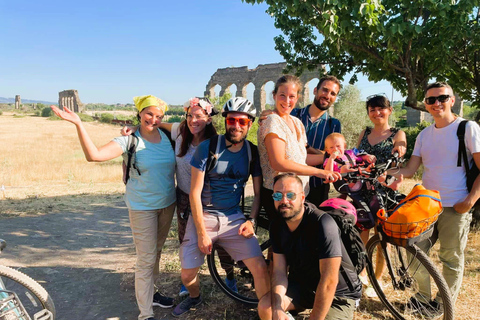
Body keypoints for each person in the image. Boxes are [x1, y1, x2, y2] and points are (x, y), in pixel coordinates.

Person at [51, 95, 176, 320]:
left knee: (156, 254)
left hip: (167, 204)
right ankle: (146, 314)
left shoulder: (168, 136)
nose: (153, 119)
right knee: (146, 258)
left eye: (159, 116)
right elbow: (94, 156)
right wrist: (79, 124)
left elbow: (192, 127)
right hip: (142, 208)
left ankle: (151, 294)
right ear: (139, 113)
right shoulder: (129, 140)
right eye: (149, 114)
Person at [172, 97, 270, 318]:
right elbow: (195, 193)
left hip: (233, 217)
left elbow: (257, 194)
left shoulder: (251, 153)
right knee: (187, 276)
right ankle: (195, 296)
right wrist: (200, 232)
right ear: (225, 121)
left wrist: (251, 221)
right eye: (232, 120)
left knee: (261, 269)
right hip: (203, 215)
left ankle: (267, 312)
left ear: (250, 124)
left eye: (242, 122)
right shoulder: (208, 148)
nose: (236, 125)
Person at [390, 82, 480, 310]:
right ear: (426, 105)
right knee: (413, 252)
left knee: (451, 259)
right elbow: (410, 170)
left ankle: (441, 305)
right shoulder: (423, 135)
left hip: (456, 206)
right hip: (426, 207)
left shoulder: (467, 128)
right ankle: (422, 298)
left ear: (452, 99)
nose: (436, 103)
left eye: (442, 98)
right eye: (430, 100)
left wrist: (470, 200)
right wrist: (383, 173)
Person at [122, 97, 219, 296]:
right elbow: (151, 124)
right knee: (186, 239)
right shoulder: (179, 131)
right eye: (190, 116)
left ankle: (229, 277)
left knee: (214, 239)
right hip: (183, 196)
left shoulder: (215, 142)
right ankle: (189, 279)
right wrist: (132, 128)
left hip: (207, 197)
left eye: (199, 116)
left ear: (208, 119)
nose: (193, 120)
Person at [258, 173, 362, 320]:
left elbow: (329, 281)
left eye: (290, 195)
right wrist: (277, 308)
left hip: (339, 293)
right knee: (265, 308)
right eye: (277, 196)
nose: (284, 201)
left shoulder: (323, 223)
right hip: (304, 287)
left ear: (302, 197)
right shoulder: (276, 225)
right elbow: (279, 272)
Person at [257, 75, 341, 217]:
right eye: (282, 95)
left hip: (299, 195)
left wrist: (329, 158)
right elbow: (278, 163)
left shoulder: (296, 122)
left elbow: (302, 158)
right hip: (280, 196)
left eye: (292, 96)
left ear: (297, 98)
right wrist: (320, 172)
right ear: (274, 95)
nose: (287, 100)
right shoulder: (272, 121)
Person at [356, 94, 407, 297]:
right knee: (361, 235)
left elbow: (399, 157)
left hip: (384, 191)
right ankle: (361, 275)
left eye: (381, 109)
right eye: (372, 110)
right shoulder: (365, 132)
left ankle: (377, 279)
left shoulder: (397, 133)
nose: (377, 113)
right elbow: (356, 155)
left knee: (382, 237)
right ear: (368, 113)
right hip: (362, 189)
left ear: (390, 110)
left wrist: (392, 171)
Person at [290, 76, 342, 206]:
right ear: (315, 90)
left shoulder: (334, 124)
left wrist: (307, 148)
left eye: (333, 93)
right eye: (325, 90)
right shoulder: (293, 115)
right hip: (290, 182)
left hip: (318, 185)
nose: (327, 96)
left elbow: (333, 155)